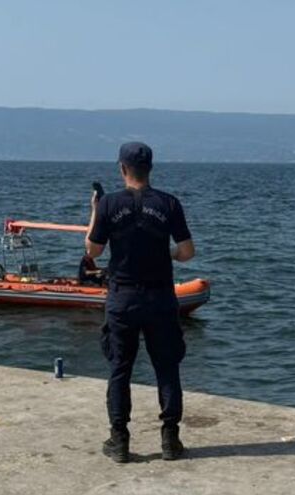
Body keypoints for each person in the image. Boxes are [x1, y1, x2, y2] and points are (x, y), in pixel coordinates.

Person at [85, 142, 195, 463]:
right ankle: (170, 440)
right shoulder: (169, 204)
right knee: (167, 366)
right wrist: (168, 252)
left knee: (120, 368)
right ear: (150, 169)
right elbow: (187, 252)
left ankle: (119, 440)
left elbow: (93, 252)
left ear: (122, 169)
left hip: (123, 297)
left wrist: (95, 210)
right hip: (160, 296)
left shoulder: (108, 205)